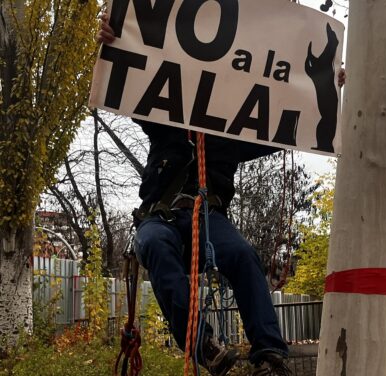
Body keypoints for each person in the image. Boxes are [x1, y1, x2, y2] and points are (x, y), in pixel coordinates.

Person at [98, 13, 345, 376]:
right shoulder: (164, 121)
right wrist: (115, 40)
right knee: (155, 248)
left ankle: (270, 354)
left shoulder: (232, 136)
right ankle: (204, 345)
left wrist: (327, 86)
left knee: (244, 256)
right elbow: (132, 82)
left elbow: (290, 123)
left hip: (209, 221)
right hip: (160, 217)